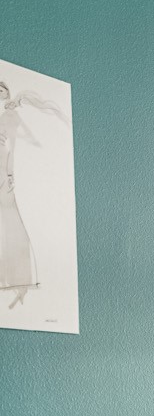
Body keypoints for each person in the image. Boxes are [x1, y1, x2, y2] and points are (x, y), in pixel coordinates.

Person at [0, 79, 68, 311]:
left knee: (11, 220)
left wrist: (10, 174)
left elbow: (14, 146)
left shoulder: (8, 116)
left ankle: (20, 281)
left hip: (2, 167)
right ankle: (13, 281)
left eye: (1, 89)